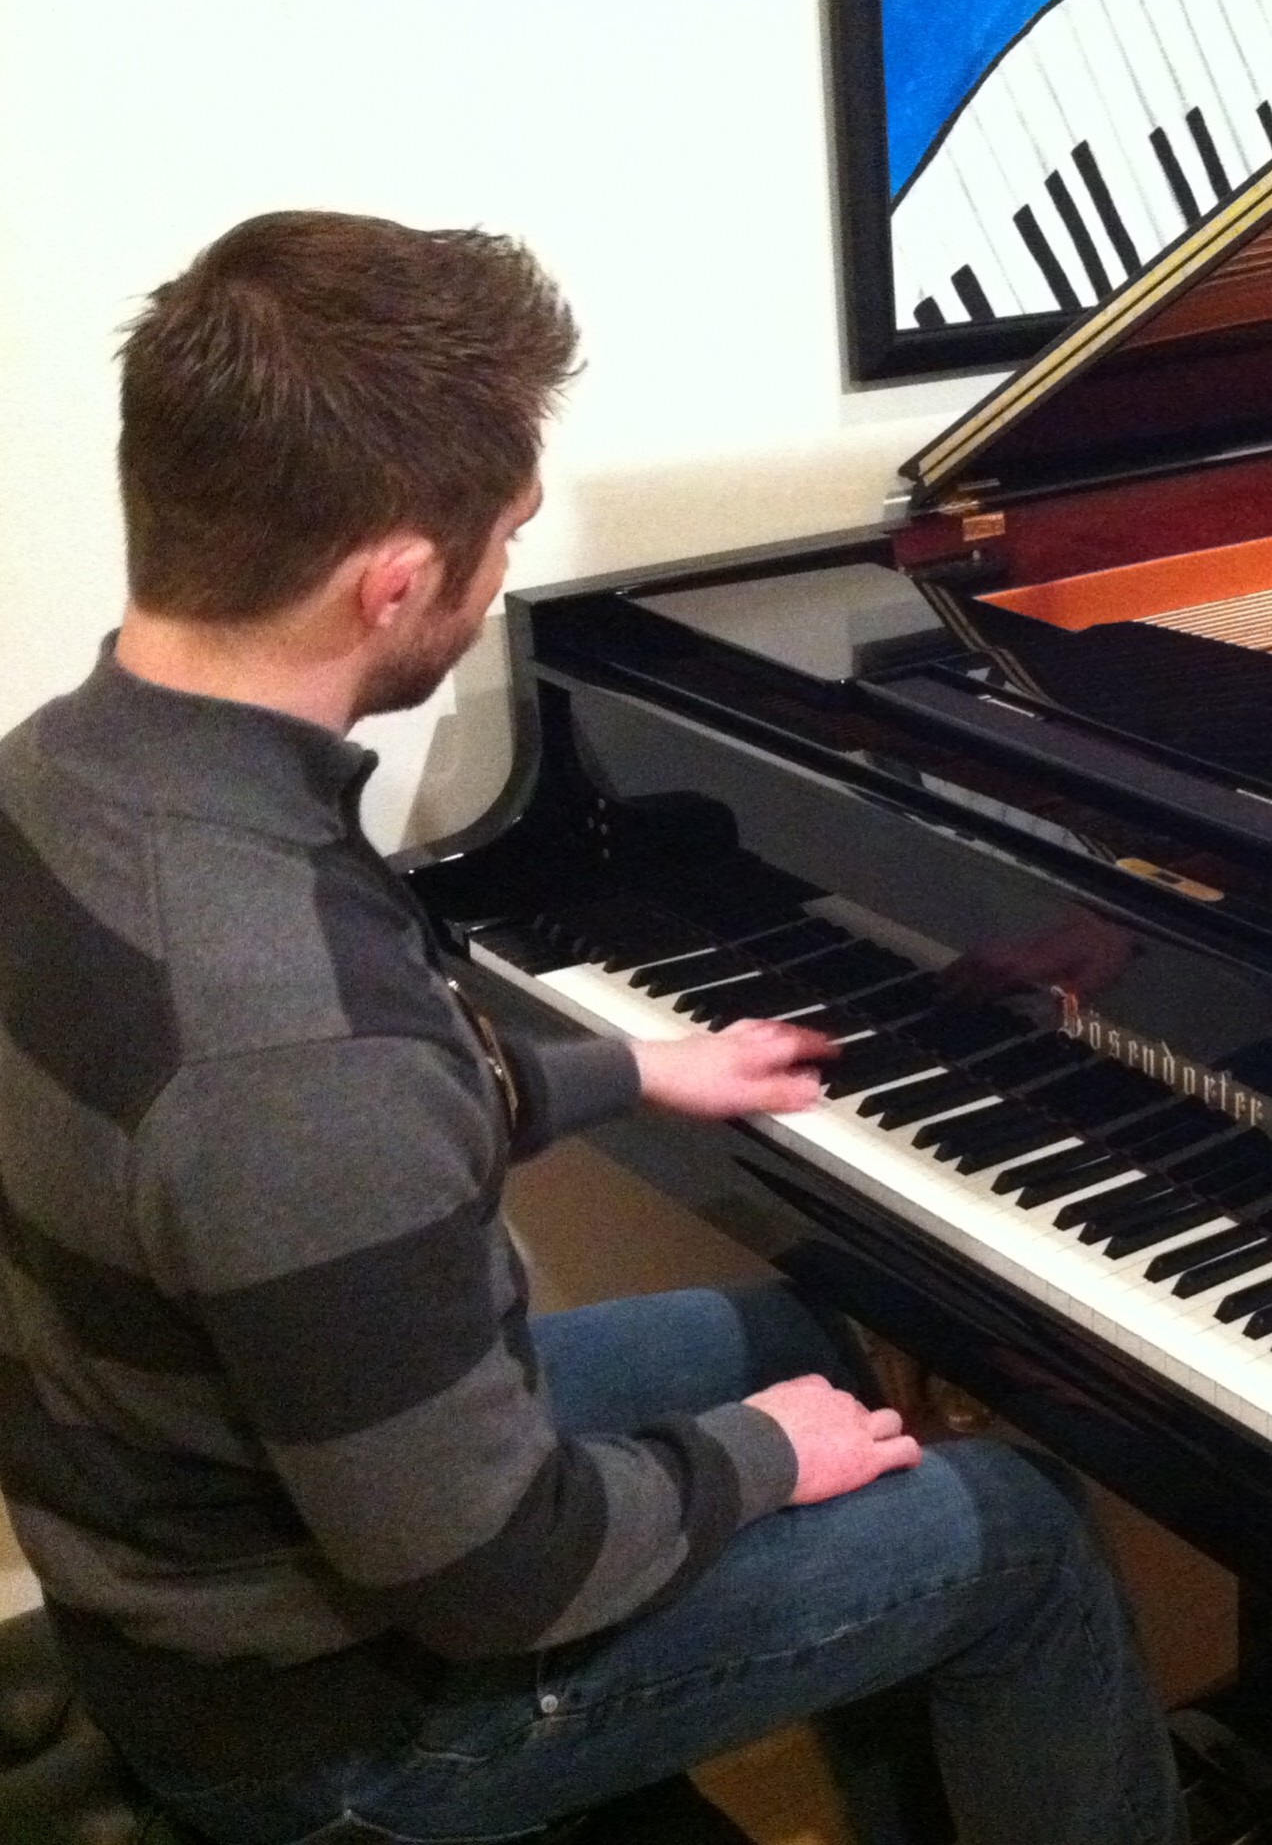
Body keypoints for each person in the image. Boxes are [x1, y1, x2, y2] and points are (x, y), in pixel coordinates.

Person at [0, 211, 1181, 1845]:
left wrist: (629, 1067)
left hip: (203, 1526)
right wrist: (755, 1466)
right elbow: (496, 1570)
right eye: (501, 541)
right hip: (330, 1725)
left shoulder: (69, 778)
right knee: (1016, 1524)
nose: (500, 585)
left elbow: (296, 1147)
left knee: (792, 1337)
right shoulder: (289, 1053)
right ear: (393, 579)